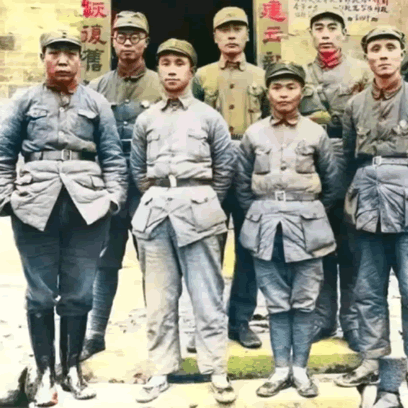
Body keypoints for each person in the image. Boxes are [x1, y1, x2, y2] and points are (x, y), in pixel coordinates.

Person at [0, 28, 128, 405]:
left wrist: (113, 199)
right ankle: (44, 373)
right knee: (40, 295)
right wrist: (7, 198)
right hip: (34, 204)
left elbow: (113, 158)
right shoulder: (24, 101)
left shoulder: (96, 102)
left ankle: (71, 369)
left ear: (79, 60)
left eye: (70, 54)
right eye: (54, 53)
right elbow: (4, 154)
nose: (62, 60)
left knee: (79, 292)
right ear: (43, 58)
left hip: (87, 206)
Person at [334, 26, 408, 397]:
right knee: (368, 289)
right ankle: (371, 358)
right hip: (367, 204)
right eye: (375, 49)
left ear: (401, 54)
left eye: (390, 48)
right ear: (367, 57)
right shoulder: (355, 105)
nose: (383, 55)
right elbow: (349, 156)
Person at [130, 38, 236, 404]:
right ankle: (162, 369)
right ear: (158, 69)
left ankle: (216, 369)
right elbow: (138, 170)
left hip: (199, 207)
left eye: (179, 63)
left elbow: (225, 168)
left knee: (207, 296)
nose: (172, 70)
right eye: (165, 63)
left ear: (191, 71)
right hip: (156, 209)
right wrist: (159, 194)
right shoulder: (146, 119)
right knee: (159, 298)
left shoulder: (209, 117)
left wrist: (203, 199)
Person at [236, 61, 342, 398]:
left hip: (308, 228)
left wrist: (308, 212)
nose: (284, 94)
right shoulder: (254, 134)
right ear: (268, 93)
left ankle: (300, 370)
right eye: (277, 87)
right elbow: (241, 185)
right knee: (276, 302)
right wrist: (262, 213)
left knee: (305, 301)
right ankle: (281, 369)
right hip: (265, 228)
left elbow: (332, 185)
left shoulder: (316, 133)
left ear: (302, 92)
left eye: (291, 87)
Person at [81, 10, 164, 361]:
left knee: (154, 262)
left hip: (150, 185)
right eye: (122, 36)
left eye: (135, 36)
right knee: (104, 261)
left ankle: (159, 338)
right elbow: (87, 139)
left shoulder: (162, 84)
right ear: (113, 41)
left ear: (146, 42)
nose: (128, 43)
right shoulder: (97, 87)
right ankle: (95, 334)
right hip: (110, 186)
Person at [193, 6, 267, 349]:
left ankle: (241, 320)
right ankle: (206, 323)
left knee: (249, 246)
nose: (232, 35)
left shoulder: (262, 77)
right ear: (215, 37)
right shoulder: (202, 77)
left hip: (252, 166)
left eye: (238, 29)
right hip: (211, 168)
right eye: (225, 30)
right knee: (208, 246)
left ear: (248, 35)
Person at [299, 4, 371, 347]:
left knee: (352, 246)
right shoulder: (300, 74)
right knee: (319, 243)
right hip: (311, 163)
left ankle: (352, 321)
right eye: (319, 29)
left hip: (352, 161)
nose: (325, 35)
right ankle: (323, 318)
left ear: (343, 34)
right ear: (311, 35)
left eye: (332, 28)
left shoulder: (362, 71)